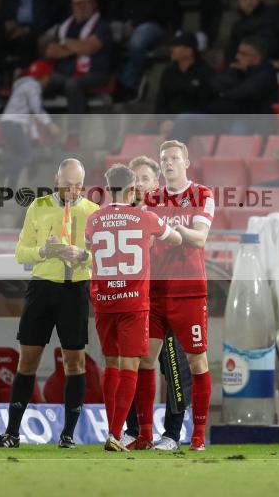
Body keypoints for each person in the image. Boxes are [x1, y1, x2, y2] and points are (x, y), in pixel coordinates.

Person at [0, 158, 99, 449]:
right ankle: (12, 433)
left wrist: (82, 256)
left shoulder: (93, 212)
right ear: (57, 179)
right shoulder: (38, 207)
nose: (73, 190)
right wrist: (44, 250)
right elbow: (20, 253)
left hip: (75, 290)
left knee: (75, 362)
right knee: (27, 360)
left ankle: (68, 435)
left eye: (78, 185)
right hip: (41, 289)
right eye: (68, 184)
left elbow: (102, 256)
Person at [85, 164, 183, 451]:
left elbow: (88, 245)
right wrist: (165, 232)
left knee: (111, 366)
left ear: (106, 189)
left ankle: (114, 430)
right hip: (133, 302)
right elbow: (175, 239)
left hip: (103, 302)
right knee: (132, 367)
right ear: (131, 190)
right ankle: (116, 433)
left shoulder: (94, 219)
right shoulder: (145, 217)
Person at [135, 139, 214, 451]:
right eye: (164, 159)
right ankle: (144, 434)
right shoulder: (151, 198)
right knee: (145, 360)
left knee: (197, 361)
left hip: (189, 290)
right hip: (155, 290)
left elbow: (199, 239)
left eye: (174, 158)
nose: (168, 163)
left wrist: (167, 228)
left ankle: (197, 435)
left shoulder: (202, 195)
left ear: (186, 162)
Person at [122, 154, 194, 449]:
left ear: (157, 183)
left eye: (145, 179)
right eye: (134, 179)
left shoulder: (169, 214)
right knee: (132, 362)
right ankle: (135, 430)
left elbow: (189, 246)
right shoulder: (120, 216)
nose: (139, 184)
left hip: (168, 297)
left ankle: (173, 434)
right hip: (135, 300)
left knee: (173, 364)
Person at [45, 0, 113, 140]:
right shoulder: (64, 26)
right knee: (43, 83)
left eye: (86, 3)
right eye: (78, 3)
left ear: (94, 4)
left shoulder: (101, 26)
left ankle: (74, 134)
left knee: (72, 84)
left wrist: (66, 44)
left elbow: (89, 48)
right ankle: (44, 132)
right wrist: (78, 46)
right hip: (65, 73)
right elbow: (51, 52)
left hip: (95, 73)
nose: (82, 7)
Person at [0, 60, 60, 188]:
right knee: (25, 156)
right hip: (14, 125)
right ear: (43, 76)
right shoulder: (33, 86)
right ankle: (9, 186)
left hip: (9, 123)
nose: (48, 81)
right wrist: (50, 125)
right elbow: (36, 109)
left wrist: (35, 136)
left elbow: (28, 114)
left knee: (21, 155)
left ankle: (8, 184)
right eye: (48, 77)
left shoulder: (23, 86)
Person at [226, 0, 279, 64]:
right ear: (239, 1)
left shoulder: (275, 13)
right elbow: (230, 55)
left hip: (274, 66)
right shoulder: (237, 26)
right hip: (247, 70)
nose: (248, 2)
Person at [155, 30, 215, 115]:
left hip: (192, 121)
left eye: (176, 46)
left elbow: (205, 105)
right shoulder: (169, 71)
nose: (172, 49)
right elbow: (161, 100)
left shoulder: (204, 72)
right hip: (167, 120)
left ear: (189, 50)